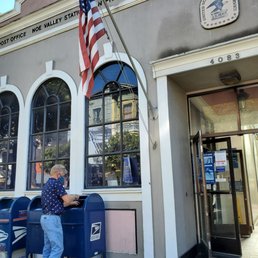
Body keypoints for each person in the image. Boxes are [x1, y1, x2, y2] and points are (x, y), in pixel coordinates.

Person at [40, 164, 79, 258]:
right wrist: (75, 196)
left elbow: (58, 203)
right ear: (58, 173)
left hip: (45, 218)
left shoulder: (47, 185)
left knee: (48, 247)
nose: (64, 178)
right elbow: (67, 199)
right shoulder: (57, 184)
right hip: (53, 219)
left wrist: (72, 203)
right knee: (58, 248)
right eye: (64, 175)